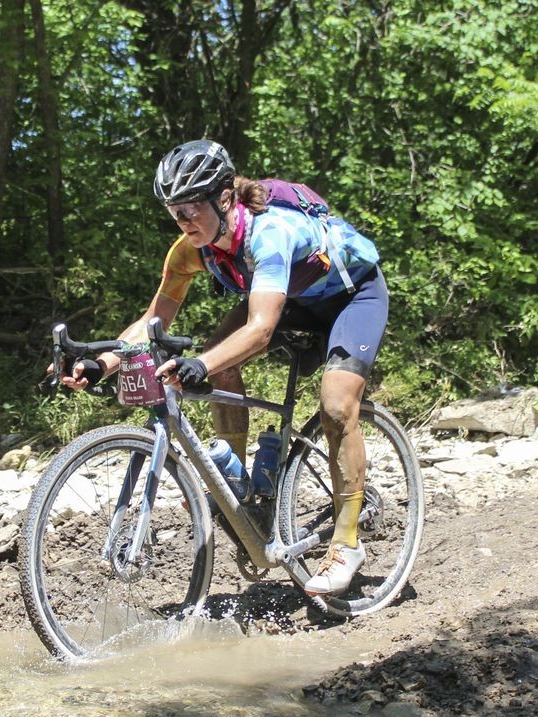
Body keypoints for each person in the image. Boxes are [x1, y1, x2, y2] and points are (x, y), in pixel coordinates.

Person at [61, 139, 388, 596]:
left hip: (352, 298)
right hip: (289, 299)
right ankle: (242, 497)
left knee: (335, 405)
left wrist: (199, 362)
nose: (184, 221)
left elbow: (259, 330)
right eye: (175, 212)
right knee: (219, 365)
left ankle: (347, 542)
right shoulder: (188, 250)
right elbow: (153, 320)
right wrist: (103, 363)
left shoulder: (268, 234)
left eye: (192, 208)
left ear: (226, 198)